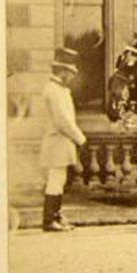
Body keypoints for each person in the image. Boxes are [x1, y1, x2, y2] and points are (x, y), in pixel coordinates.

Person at [39, 47, 87, 232]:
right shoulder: (53, 90)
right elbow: (63, 121)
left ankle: (56, 215)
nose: (72, 76)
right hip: (57, 140)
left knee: (60, 178)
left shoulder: (59, 89)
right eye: (70, 72)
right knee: (56, 178)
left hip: (61, 141)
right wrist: (80, 138)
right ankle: (50, 219)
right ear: (61, 71)